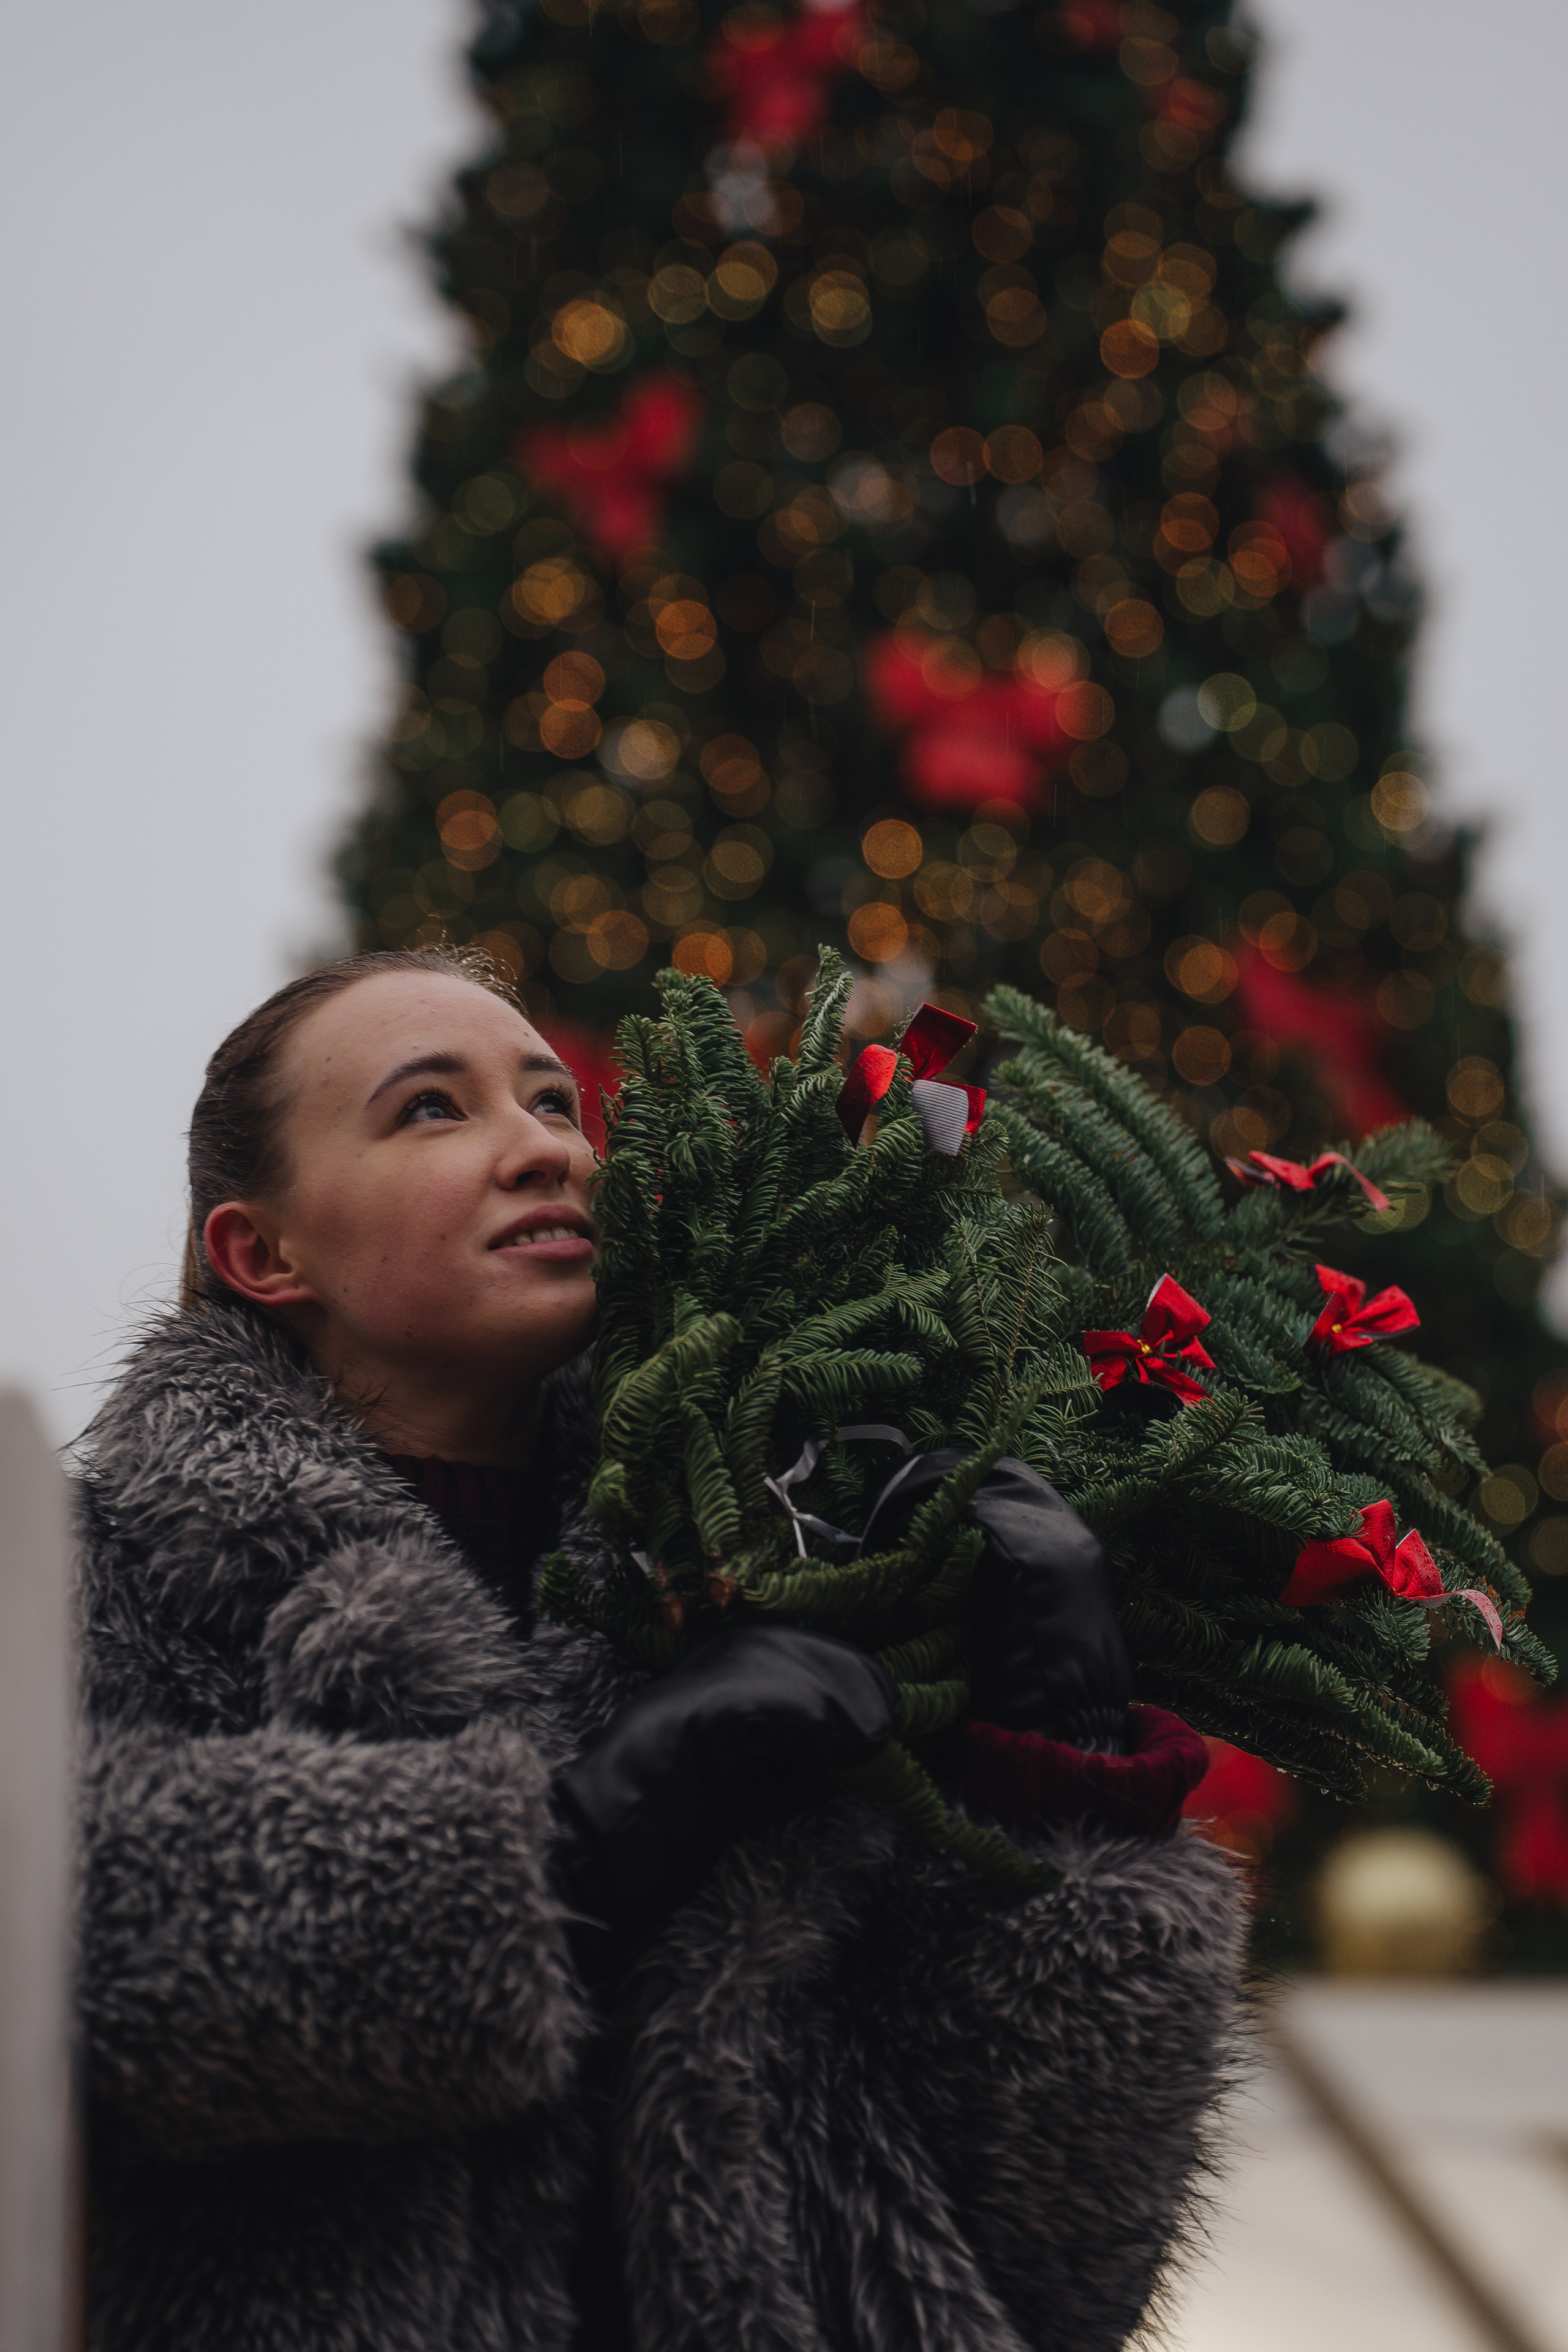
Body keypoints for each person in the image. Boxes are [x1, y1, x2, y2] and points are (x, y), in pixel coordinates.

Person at [77, 945, 1240, 2352]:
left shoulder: (777, 1570)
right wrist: (573, 1848)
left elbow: (1050, 2254)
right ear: (263, 1253)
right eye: (432, 1109)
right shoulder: (98, 1574)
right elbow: (68, 1942)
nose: (544, 1151)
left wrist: (1064, 1787)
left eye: (556, 1106)